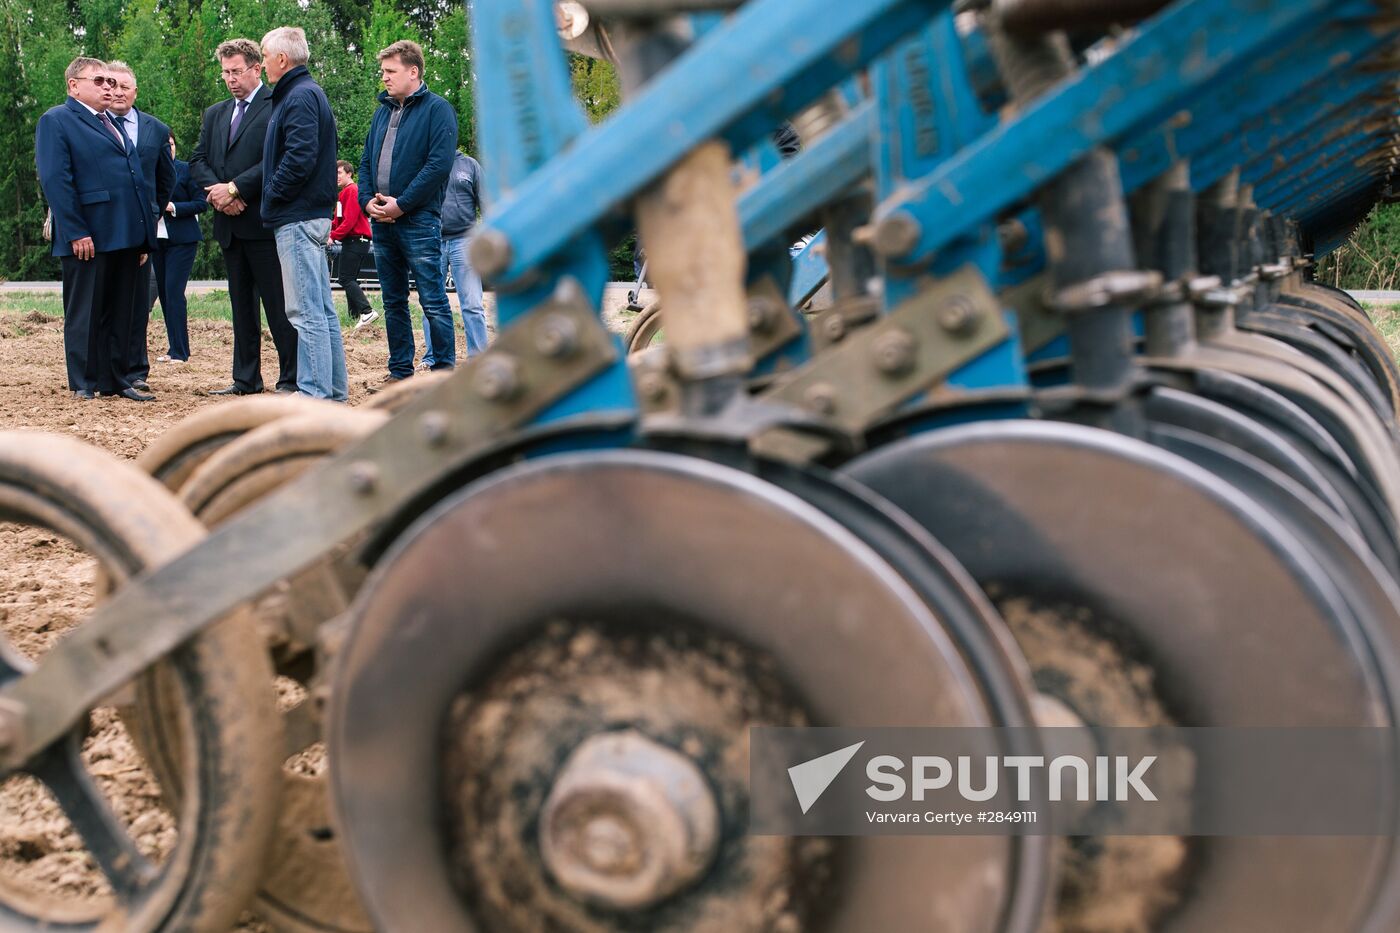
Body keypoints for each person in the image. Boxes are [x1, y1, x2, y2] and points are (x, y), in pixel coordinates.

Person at [35, 58, 169, 402]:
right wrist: (76, 230)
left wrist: (143, 235)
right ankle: (84, 381)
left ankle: (115, 379)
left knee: (120, 310)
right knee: (86, 310)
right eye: (100, 81)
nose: (108, 87)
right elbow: (56, 180)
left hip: (126, 233)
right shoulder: (57, 120)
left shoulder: (113, 122)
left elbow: (137, 180)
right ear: (73, 85)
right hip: (88, 236)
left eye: (112, 81)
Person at [189, 37, 298, 396]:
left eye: (237, 71)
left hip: (263, 223)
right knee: (242, 310)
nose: (231, 79)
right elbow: (198, 161)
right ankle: (246, 379)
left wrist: (235, 189)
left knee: (279, 309)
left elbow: (277, 161)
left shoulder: (276, 105)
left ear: (256, 69)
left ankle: (290, 378)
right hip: (230, 225)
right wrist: (219, 195)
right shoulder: (216, 113)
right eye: (225, 72)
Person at [358, 39, 458, 388]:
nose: (383, 77)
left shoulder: (438, 109)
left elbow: (438, 166)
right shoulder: (382, 111)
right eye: (383, 71)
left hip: (417, 221)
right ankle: (400, 373)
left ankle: (443, 376)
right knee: (393, 300)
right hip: (381, 221)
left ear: (413, 72)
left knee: (432, 299)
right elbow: (366, 161)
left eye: (390, 71)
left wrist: (401, 204)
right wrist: (366, 200)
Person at [261, 26, 346, 402]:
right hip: (307, 213)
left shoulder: (298, 96)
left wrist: (272, 196)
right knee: (322, 310)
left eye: (264, 57)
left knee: (305, 311)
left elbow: (299, 156)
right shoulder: (305, 93)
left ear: (282, 59)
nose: (263, 65)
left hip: (297, 216)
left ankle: (314, 395)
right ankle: (335, 392)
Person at [104, 61, 175, 392]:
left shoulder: (155, 129)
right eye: (112, 85)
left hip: (139, 231)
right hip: (102, 228)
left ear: (135, 91)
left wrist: (152, 217)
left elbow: (165, 180)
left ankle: (135, 370)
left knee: (136, 303)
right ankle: (102, 368)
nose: (117, 92)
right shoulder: (92, 124)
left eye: (124, 86)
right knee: (102, 301)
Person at [425, 149, 487, 365]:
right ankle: (433, 358)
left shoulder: (470, 165)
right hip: (432, 240)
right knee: (430, 304)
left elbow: (486, 202)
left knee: (472, 303)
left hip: (465, 240)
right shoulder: (427, 163)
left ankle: (478, 357)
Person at [152, 134, 206, 363]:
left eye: (171, 144)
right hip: (156, 239)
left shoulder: (185, 170)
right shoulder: (149, 171)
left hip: (182, 239)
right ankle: (173, 348)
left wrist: (173, 206)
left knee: (174, 292)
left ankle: (181, 352)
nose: (168, 149)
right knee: (164, 294)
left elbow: (201, 203)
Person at [330, 159, 377, 329]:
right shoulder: (342, 194)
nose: (336, 176)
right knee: (350, 279)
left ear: (349, 173)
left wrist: (332, 237)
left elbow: (349, 221)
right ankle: (354, 317)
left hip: (356, 241)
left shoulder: (352, 191)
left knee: (345, 278)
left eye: (339, 173)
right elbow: (338, 220)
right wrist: (330, 232)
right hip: (352, 242)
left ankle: (367, 311)